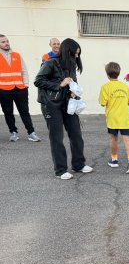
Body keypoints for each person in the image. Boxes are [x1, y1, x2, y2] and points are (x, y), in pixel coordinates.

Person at [34, 38, 93, 179]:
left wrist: (75, 91)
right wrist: (59, 84)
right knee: (57, 138)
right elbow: (38, 80)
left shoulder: (71, 65)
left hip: (68, 103)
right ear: (68, 52)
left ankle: (79, 164)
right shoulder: (50, 63)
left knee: (76, 134)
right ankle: (60, 170)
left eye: (78, 54)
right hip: (51, 104)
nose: (77, 56)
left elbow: (73, 82)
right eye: (75, 53)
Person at [0, 35, 41, 142]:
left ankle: (31, 133)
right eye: (3, 42)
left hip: (20, 89)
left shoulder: (17, 55)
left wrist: (26, 84)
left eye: (7, 41)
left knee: (24, 111)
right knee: (8, 112)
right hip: (3, 90)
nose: (6, 43)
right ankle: (13, 133)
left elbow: (24, 71)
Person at [98, 62, 129, 174]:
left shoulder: (105, 87)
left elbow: (102, 103)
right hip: (124, 117)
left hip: (112, 118)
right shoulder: (125, 86)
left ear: (107, 74)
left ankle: (114, 160)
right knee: (127, 139)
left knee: (113, 138)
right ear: (119, 73)